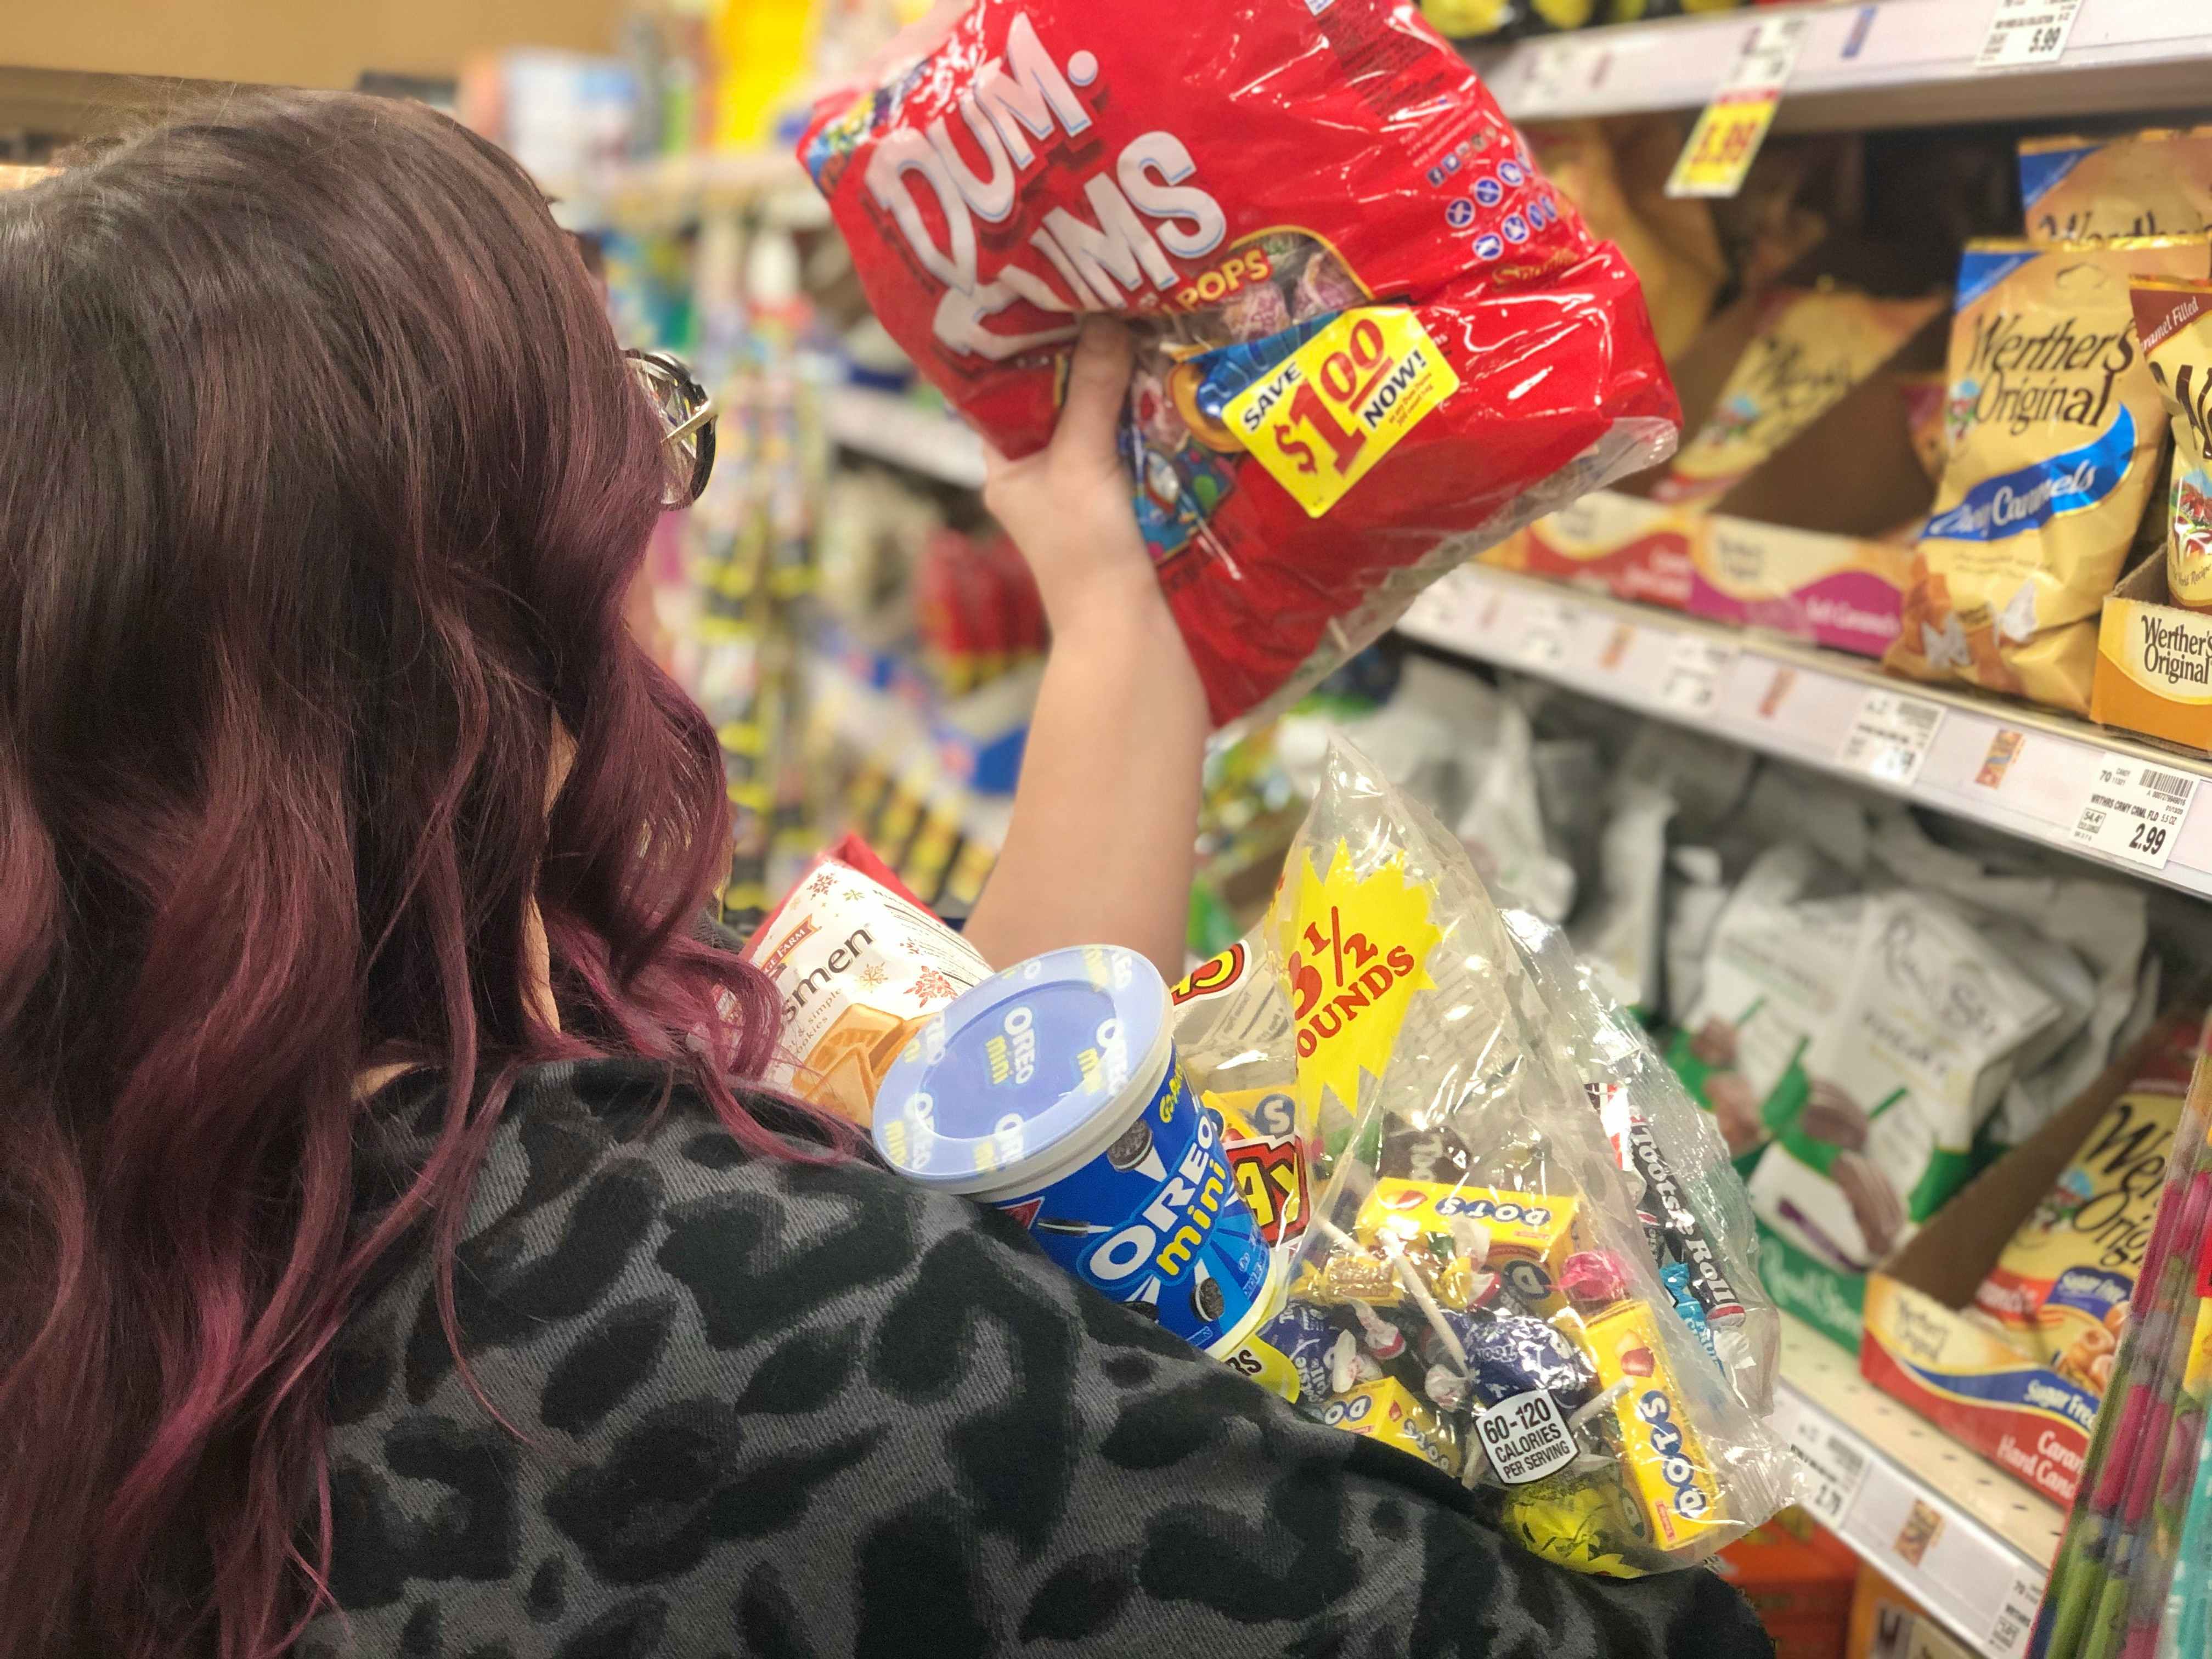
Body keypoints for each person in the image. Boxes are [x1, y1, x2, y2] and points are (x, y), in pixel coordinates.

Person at [0, 92, 1770, 1659]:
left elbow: (982, 1147)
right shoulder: (720, 1317)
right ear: (477, 614)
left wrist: (1110, 609)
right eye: (628, 454)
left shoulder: (110, 1167)